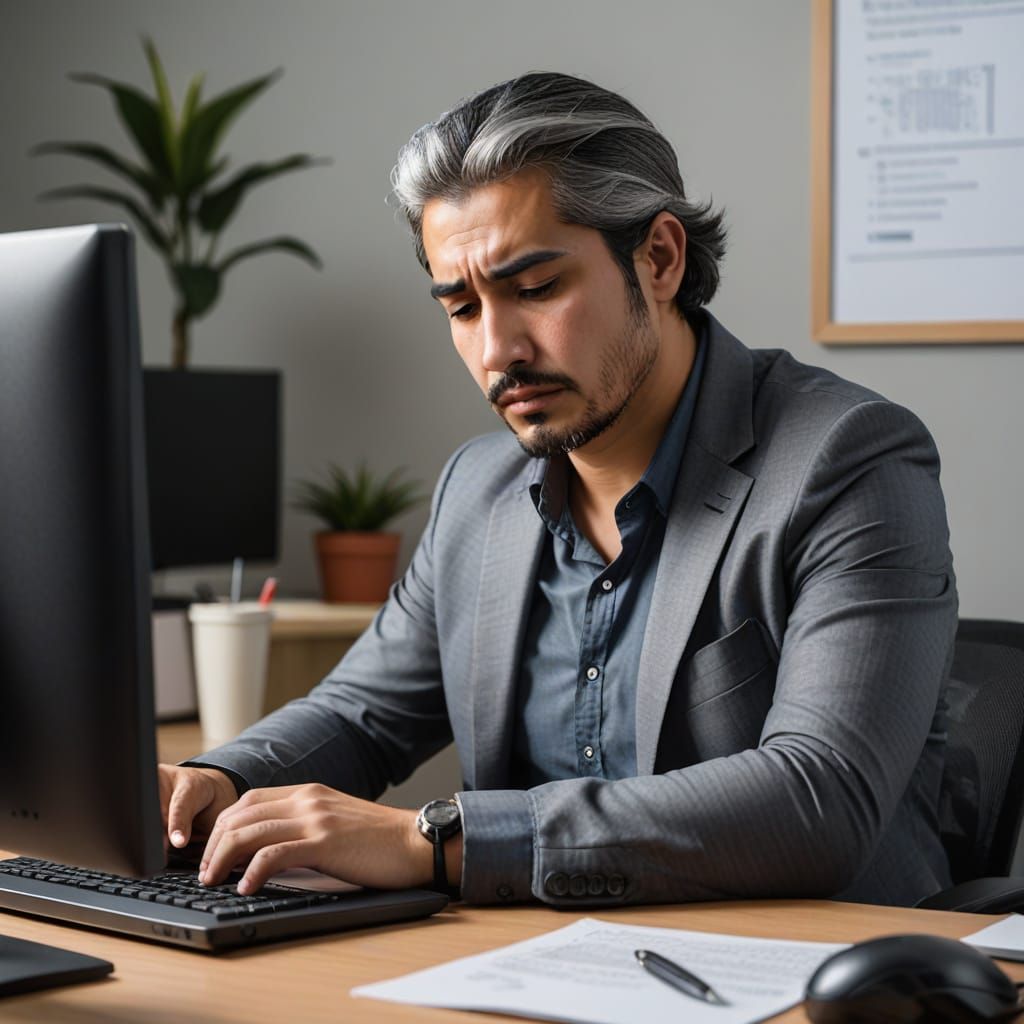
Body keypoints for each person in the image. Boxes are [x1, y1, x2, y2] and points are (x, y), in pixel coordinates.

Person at [160, 72, 958, 908]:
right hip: (526, 966)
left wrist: (430, 839)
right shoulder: (478, 490)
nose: (498, 348)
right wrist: (212, 780)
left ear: (658, 258)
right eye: (462, 307)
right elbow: (363, 714)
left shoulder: (849, 461)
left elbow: (818, 801)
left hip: (812, 970)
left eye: (535, 289)